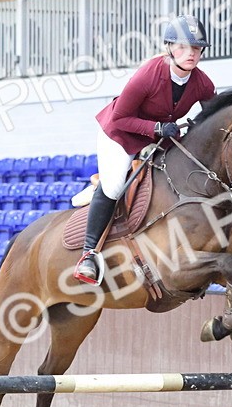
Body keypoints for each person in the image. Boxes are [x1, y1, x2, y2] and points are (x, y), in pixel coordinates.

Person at [74, 14, 217, 285]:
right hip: (120, 135)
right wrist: (158, 129)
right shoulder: (148, 75)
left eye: (197, 49)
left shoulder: (202, 83)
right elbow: (119, 118)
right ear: (170, 48)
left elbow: (212, 119)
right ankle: (89, 254)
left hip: (158, 138)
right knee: (115, 185)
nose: (191, 54)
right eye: (184, 47)